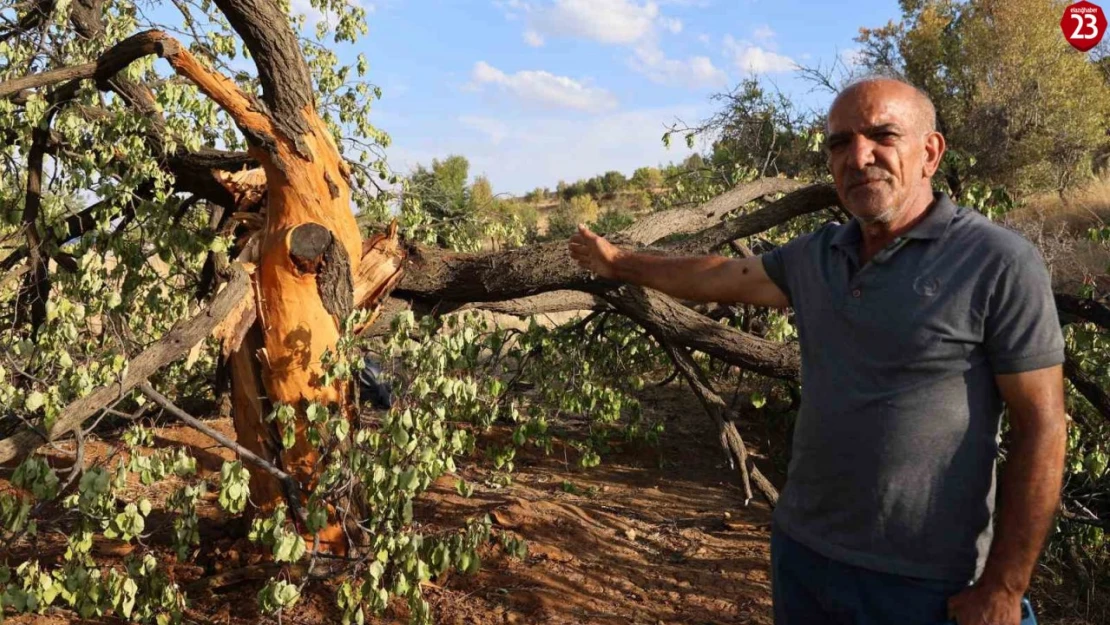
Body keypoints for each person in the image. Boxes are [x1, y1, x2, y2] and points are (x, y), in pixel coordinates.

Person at [567, 76, 1066, 625]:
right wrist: (619, 263)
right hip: (805, 554)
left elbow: (1041, 426)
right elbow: (721, 275)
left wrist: (1003, 585)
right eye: (839, 142)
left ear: (930, 152)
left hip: (929, 582)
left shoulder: (997, 261)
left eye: (883, 135)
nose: (859, 156)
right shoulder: (819, 255)